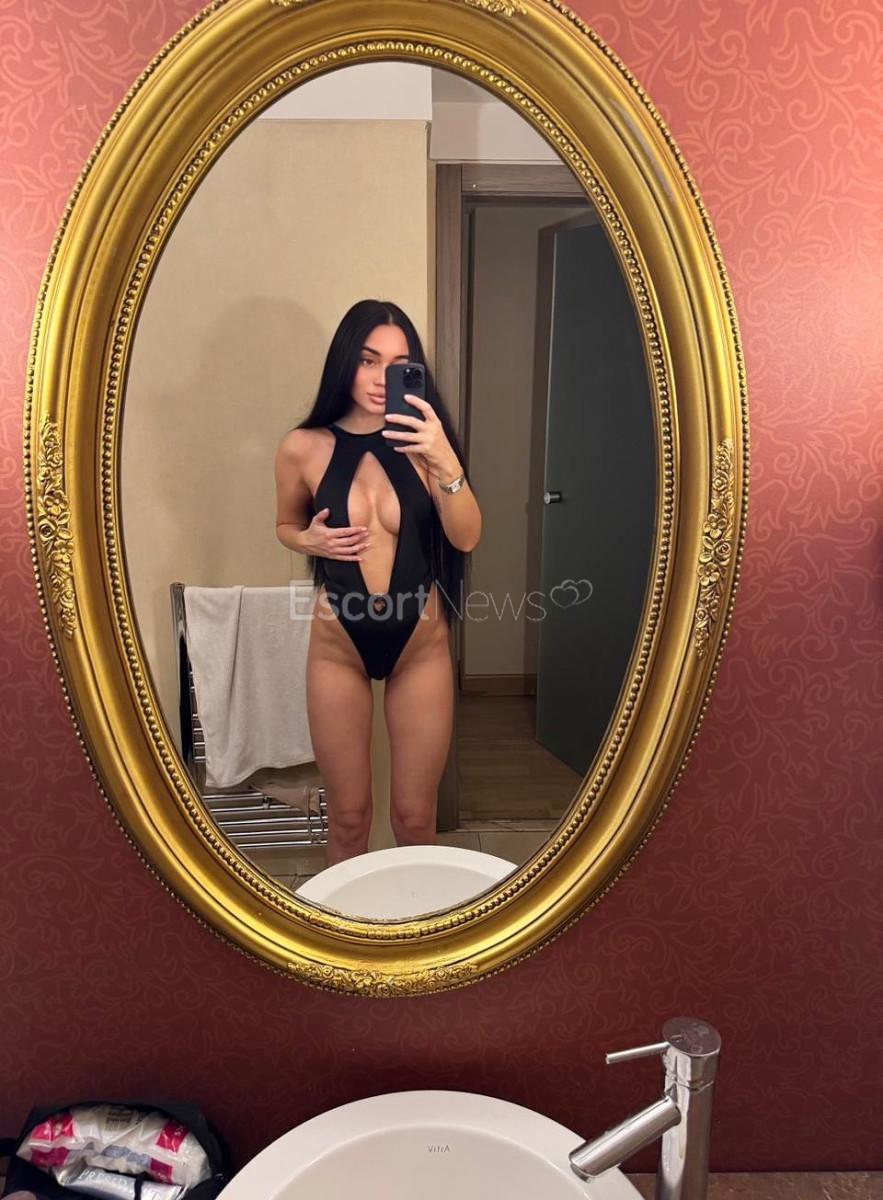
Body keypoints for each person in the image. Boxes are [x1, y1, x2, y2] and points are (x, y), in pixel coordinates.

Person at [275, 300, 482, 864]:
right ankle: (345, 924)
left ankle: (416, 922)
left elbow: (466, 538)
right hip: (338, 647)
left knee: (414, 818)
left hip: (420, 646)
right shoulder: (302, 447)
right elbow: (286, 526)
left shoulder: (426, 444)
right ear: (345, 360)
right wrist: (309, 542)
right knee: (348, 818)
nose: (378, 377)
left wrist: (444, 461)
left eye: (397, 364)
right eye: (368, 360)